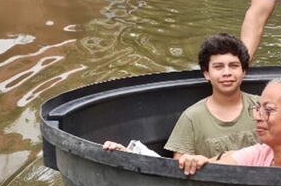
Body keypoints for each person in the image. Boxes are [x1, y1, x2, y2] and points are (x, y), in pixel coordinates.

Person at [103, 33, 258, 159]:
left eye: (234, 66)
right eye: (218, 67)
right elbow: (179, 170)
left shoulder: (262, 106)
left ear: (244, 72)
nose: (227, 73)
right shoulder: (192, 117)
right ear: (206, 74)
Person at [176, 77, 281, 174]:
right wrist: (198, 162)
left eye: (268, 110)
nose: (258, 117)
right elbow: (219, 167)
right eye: (258, 109)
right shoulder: (263, 152)